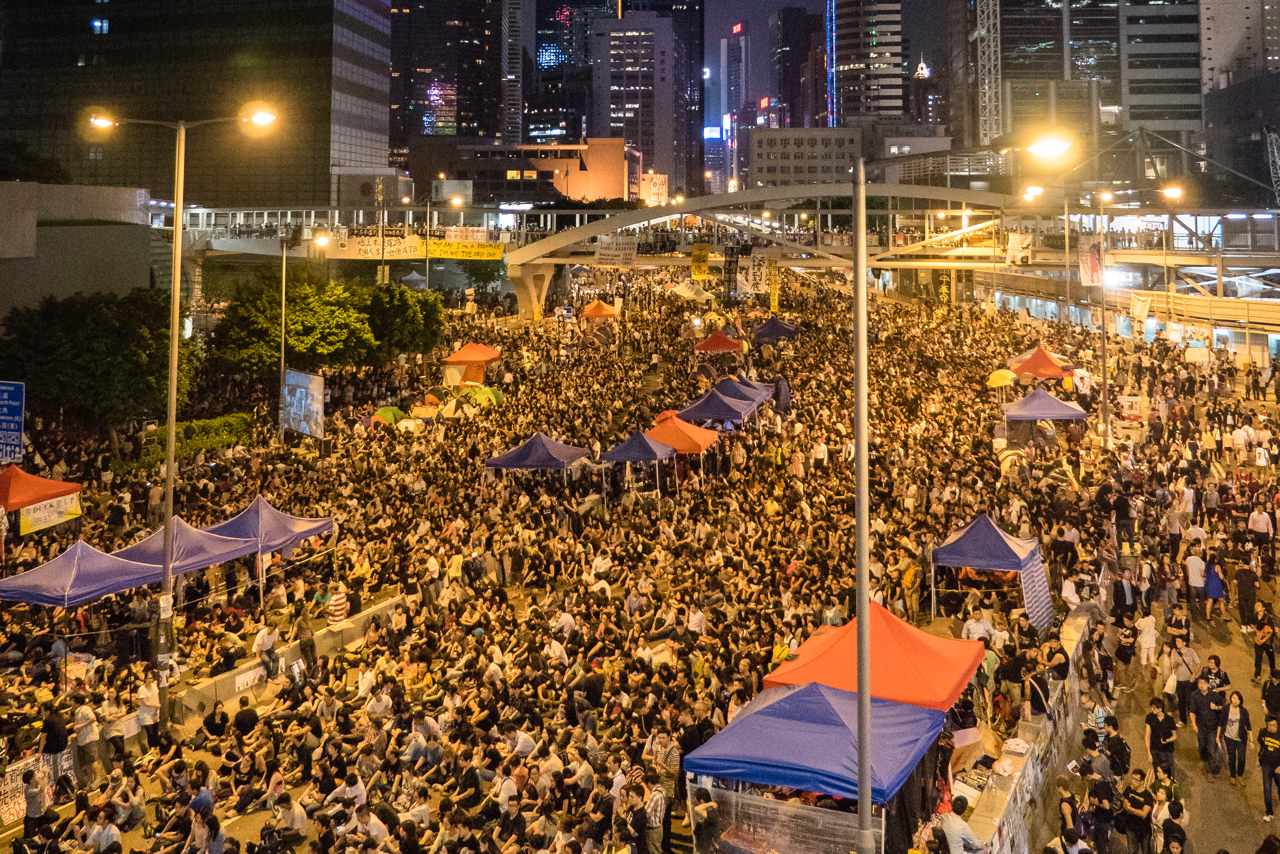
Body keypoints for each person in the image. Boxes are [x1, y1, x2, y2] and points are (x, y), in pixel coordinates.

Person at [1223, 689, 1253, 786]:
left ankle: (1240, 775)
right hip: (1229, 738)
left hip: (1240, 738)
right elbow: (1221, 722)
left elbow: (1249, 727)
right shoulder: (1226, 708)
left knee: (1241, 758)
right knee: (1231, 757)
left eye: (1237, 699)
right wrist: (1218, 735)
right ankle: (1232, 775)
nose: (1235, 700)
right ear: (1230, 698)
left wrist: (1251, 741)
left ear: (1240, 701)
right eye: (1233, 698)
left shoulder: (1244, 711)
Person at [1261, 715, 1280, 822]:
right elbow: (1262, 743)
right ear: (1267, 726)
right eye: (1270, 725)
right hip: (1266, 765)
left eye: (1274, 725)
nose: (1273, 727)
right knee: (1267, 789)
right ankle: (1269, 813)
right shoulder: (1263, 732)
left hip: (1278, 767)